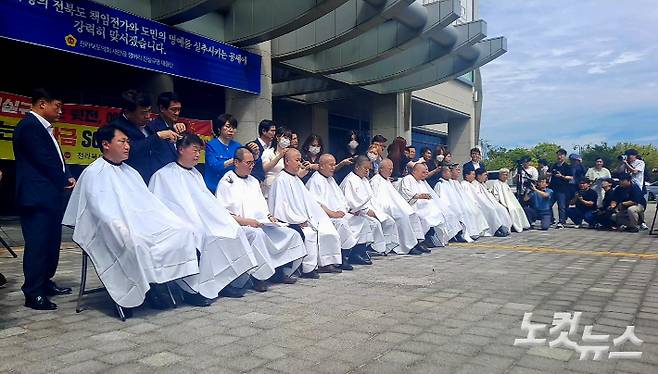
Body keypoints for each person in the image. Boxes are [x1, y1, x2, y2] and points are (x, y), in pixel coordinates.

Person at [63, 125, 200, 310]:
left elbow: (149, 205)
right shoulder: (94, 173)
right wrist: (125, 227)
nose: (128, 146)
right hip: (109, 229)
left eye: (128, 141)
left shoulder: (131, 172)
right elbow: (101, 212)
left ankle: (165, 284)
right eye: (122, 141)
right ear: (106, 144)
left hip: (140, 224)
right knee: (135, 241)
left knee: (182, 231)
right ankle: (144, 289)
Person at [149, 133, 266, 301]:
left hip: (204, 221)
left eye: (199, 151)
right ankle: (194, 290)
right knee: (203, 235)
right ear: (181, 149)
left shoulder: (196, 174)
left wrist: (225, 219)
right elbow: (163, 208)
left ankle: (226, 281)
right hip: (182, 225)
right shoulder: (163, 175)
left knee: (232, 231)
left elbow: (208, 204)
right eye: (194, 150)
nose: (198, 155)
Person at [13, 88, 76, 311]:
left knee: (51, 243)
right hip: (36, 197)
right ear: (42, 104)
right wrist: (63, 179)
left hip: (50, 196)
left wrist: (66, 175)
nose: (60, 111)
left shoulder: (45, 129)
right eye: (57, 106)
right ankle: (33, 292)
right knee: (38, 245)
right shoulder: (30, 127)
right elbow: (44, 160)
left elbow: (57, 160)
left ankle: (45, 282)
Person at [217, 147, 307, 286]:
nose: (252, 166)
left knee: (290, 233)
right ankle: (259, 277)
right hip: (240, 226)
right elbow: (224, 212)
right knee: (257, 235)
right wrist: (246, 221)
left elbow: (261, 205)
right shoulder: (227, 181)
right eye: (248, 163)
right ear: (236, 162)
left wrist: (269, 216)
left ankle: (279, 271)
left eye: (253, 163)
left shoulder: (253, 181)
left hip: (260, 223)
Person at [268, 149, 343, 278]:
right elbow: (281, 208)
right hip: (289, 220)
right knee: (309, 233)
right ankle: (303, 269)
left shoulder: (296, 179)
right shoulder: (281, 180)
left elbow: (309, 202)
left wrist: (314, 217)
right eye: (297, 160)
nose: (300, 163)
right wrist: (298, 220)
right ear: (286, 161)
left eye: (300, 160)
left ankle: (322, 264)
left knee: (322, 227)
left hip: (303, 218)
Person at [306, 154, 385, 265]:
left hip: (339, 213)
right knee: (342, 224)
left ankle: (356, 253)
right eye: (331, 165)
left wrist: (345, 210)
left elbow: (341, 199)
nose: (334, 167)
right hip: (324, 217)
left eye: (334, 164)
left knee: (362, 221)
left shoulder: (330, 179)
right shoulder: (315, 180)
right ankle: (342, 256)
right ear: (322, 166)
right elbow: (315, 204)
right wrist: (333, 213)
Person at [109, 89, 181, 184]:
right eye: (143, 113)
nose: (147, 116)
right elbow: (128, 151)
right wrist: (157, 136)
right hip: (129, 181)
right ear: (128, 112)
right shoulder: (116, 127)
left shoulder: (148, 126)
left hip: (155, 180)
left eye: (149, 111)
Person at [340, 156, 401, 254]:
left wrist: (375, 211)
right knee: (373, 223)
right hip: (355, 212)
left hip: (367, 209)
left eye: (369, 169)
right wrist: (365, 211)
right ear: (357, 167)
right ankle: (362, 250)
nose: (367, 171)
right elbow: (351, 203)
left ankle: (384, 247)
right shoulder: (350, 180)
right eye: (365, 168)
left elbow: (370, 199)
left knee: (389, 221)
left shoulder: (364, 180)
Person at [370, 159, 428, 255]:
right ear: (381, 169)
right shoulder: (375, 181)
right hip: (385, 208)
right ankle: (406, 246)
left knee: (411, 214)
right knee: (402, 217)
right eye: (389, 169)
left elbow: (395, 196)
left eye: (392, 169)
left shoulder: (387, 180)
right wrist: (390, 207)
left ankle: (416, 242)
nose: (391, 171)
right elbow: (377, 199)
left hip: (394, 206)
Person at [399, 163, 462, 247]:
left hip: (425, 206)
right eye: (423, 172)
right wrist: (418, 196)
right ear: (415, 171)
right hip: (414, 206)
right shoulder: (407, 179)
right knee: (426, 217)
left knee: (439, 213)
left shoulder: (421, 181)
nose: (425, 174)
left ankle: (431, 236)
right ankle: (423, 239)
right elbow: (405, 193)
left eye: (426, 172)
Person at [143, 91, 187, 182]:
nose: (177, 113)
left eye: (179, 109)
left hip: (178, 176)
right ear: (162, 108)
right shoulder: (151, 127)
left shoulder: (179, 127)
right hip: (159, 178)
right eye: (173, 109)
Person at [204, 113, 241, 193]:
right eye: (227, 126)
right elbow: (214, 166)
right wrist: (231, 162)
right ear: (219, 128)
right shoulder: (211, 145)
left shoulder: (238, 146)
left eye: (234, 127)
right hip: (214, 187)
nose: (231, 130)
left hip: (232, 188)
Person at [449, 165, 489, 238]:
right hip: (459, 205)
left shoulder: (457, 182)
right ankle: (470, 232)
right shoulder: (463, 184)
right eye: (457, 170)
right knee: (470, 212)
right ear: (466, 176)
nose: (459, 171)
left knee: (476, 211)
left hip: (467, 203)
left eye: (459, 170)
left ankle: (477, 231)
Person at [470, 170, 512, 237]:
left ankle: (504, 227)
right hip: (481, 205)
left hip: (489, 203)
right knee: (492, 210)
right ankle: (495, 230)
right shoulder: (475, 185)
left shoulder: (483, 184)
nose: (486, 177)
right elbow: (478, 198)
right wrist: (489, 205)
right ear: (478, 176)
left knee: (502, 209)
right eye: (485, 175)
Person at [489, 168, 531, 232]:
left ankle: (522, 224)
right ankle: (514, 226)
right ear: (500, 175)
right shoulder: (496, 183)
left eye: (506, 175)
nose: (505, 176)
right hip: (503, 203)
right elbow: (496, 195)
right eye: (503, 175)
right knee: (512, 210)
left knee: (518, 208)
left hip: (511, 202)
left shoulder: (506, 184)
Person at [261, 127, 292, 198]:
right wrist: (279, 156)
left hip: (286, 188)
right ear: (277, 137)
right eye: (285, 137)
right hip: (270, 187)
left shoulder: (290, 154)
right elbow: (265, 168)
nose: (287, 140)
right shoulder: (268, 152)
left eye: (289, 139)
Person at [549, 149, 573, 228]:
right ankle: (551, 219)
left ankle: (562, 222)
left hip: (562, 189)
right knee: (548, 204)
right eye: (558, 155)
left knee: (561, 206)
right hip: (552, 188)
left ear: (564, 156)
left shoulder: (567, 166)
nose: (559, 156)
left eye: (561, 155)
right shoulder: (553, 165)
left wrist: (561, 176)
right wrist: (547, 174)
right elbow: (548, 173)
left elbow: (571, 177)